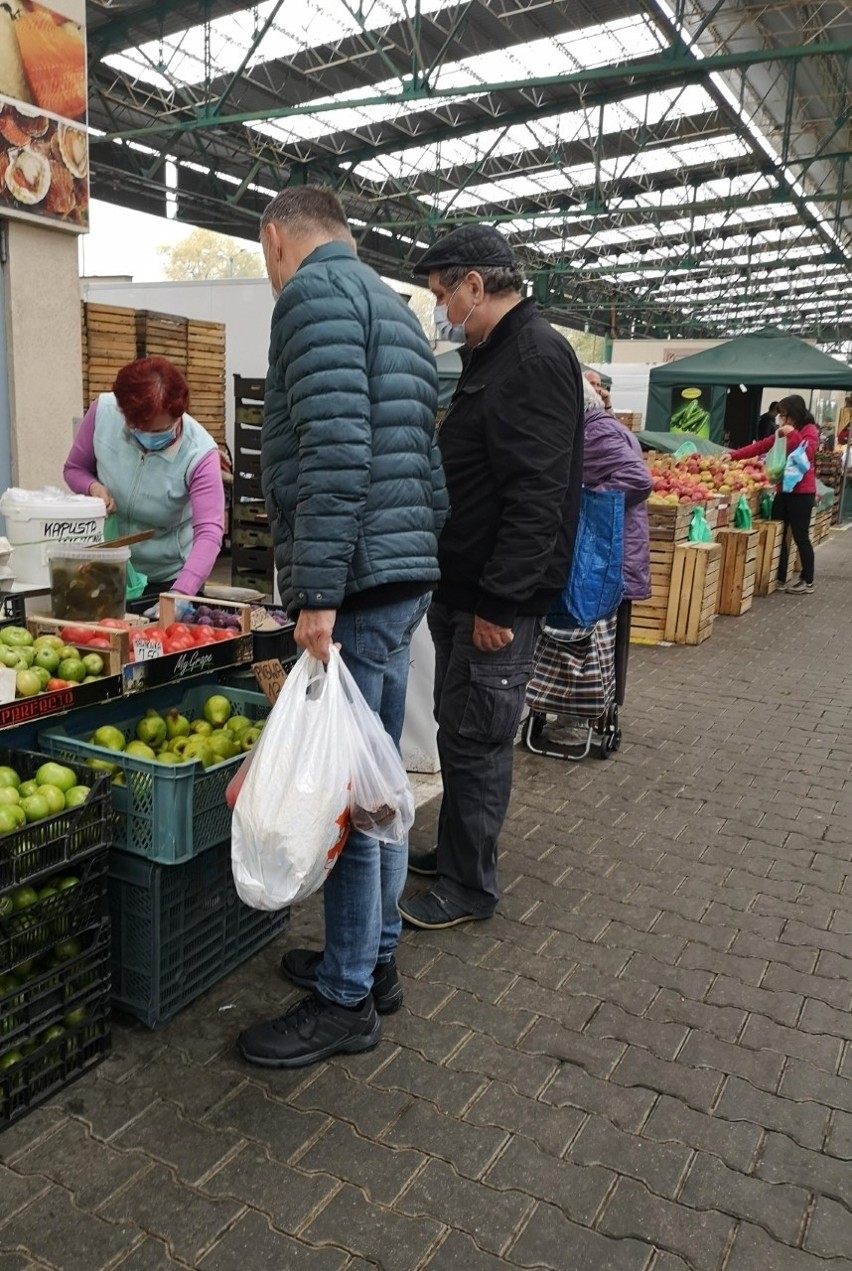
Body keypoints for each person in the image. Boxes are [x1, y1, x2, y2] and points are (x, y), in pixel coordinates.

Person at [238, 186, 447, 1069]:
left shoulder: (313, 298)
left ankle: (346, 1001)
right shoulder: (393, 310)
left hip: (354, 585)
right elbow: (422, 457)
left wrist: (315, 592)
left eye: (264, 259)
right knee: (380, 774)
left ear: (277, 238)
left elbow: (332, 449)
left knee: (352, 799)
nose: (269, 273)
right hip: (397, 576)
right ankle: (375, 963)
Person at [400, 225, 584, 930]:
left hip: (492, 597)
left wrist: (501, 600)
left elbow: (537, 496)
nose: (441, 308)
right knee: (458, 728)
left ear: (476, 284)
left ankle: (469, 886)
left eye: (443, 293)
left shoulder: (533, 357)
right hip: (465, 585)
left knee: (477, 736)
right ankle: (453, 853)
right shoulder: (495, 352)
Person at [63, 357, 225, 602]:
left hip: (168, 578)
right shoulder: (104, 413)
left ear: (178, 415)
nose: (148, 437)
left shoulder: (199, 453)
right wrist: (93, 487)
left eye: (160, 431)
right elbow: (74, 469)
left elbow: (210, 531)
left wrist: (181, 593)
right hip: (108, 567)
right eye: (138, 428)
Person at [582, 380, 651, 706]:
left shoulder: (595, 431)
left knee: (598, 640)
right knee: (608, 639)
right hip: (614, 549)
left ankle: (591, 713)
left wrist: (586, 504)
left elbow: (638, 480)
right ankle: (602, 710)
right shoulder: (602, 427)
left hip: (610, 551)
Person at [727, 394, 819, 594]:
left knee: (800, 535)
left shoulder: (809, 430)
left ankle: (807, 579)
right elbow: (762, 445)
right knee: (778, 532)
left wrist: (792, 433)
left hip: (802, 493)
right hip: (783, 490)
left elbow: (806, 453)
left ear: (794, 414)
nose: (782, 420)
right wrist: (733, 456)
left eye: (785, 416)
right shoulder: (782, 431)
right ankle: (780, 576)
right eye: (781, 417)